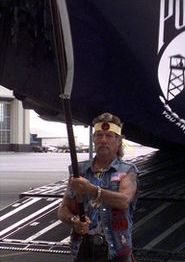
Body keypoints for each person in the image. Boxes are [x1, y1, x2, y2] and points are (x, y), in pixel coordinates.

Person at [58, 112, 139, 262]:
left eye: (109, 136)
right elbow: (63, 210)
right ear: (93, 139)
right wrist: (75, 220)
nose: (103, 140)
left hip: (116, 249)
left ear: (118, 141)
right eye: (99, 135)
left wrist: (90, 189)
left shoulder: (128, 171)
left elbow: (123, 201)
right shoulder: (79, 171)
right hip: (83, 248)